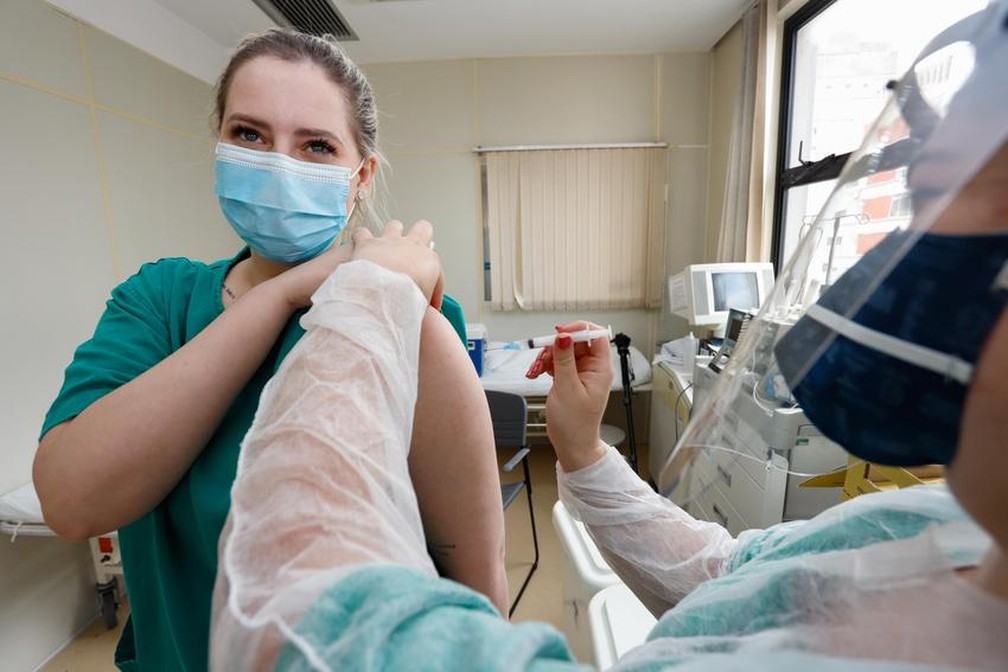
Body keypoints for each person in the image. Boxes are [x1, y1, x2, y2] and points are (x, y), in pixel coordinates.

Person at [209, 4, 1008, 669]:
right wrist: (585, 451)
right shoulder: (935, 530)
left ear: (361, 175)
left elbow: (298, 618)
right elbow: (728, 573)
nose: (903, 279)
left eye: (960, 215)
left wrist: (369, 293)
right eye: (920, 211)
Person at [32, 29, 508, 670]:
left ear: (359, 176)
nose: (280, 164)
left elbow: (477, 585)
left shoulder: (408, 318)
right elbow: (71, 500)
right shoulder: (160, 301)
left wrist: (358, 289)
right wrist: (281, 297)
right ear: (220, 144)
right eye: (250, 135)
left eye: (316, 145)